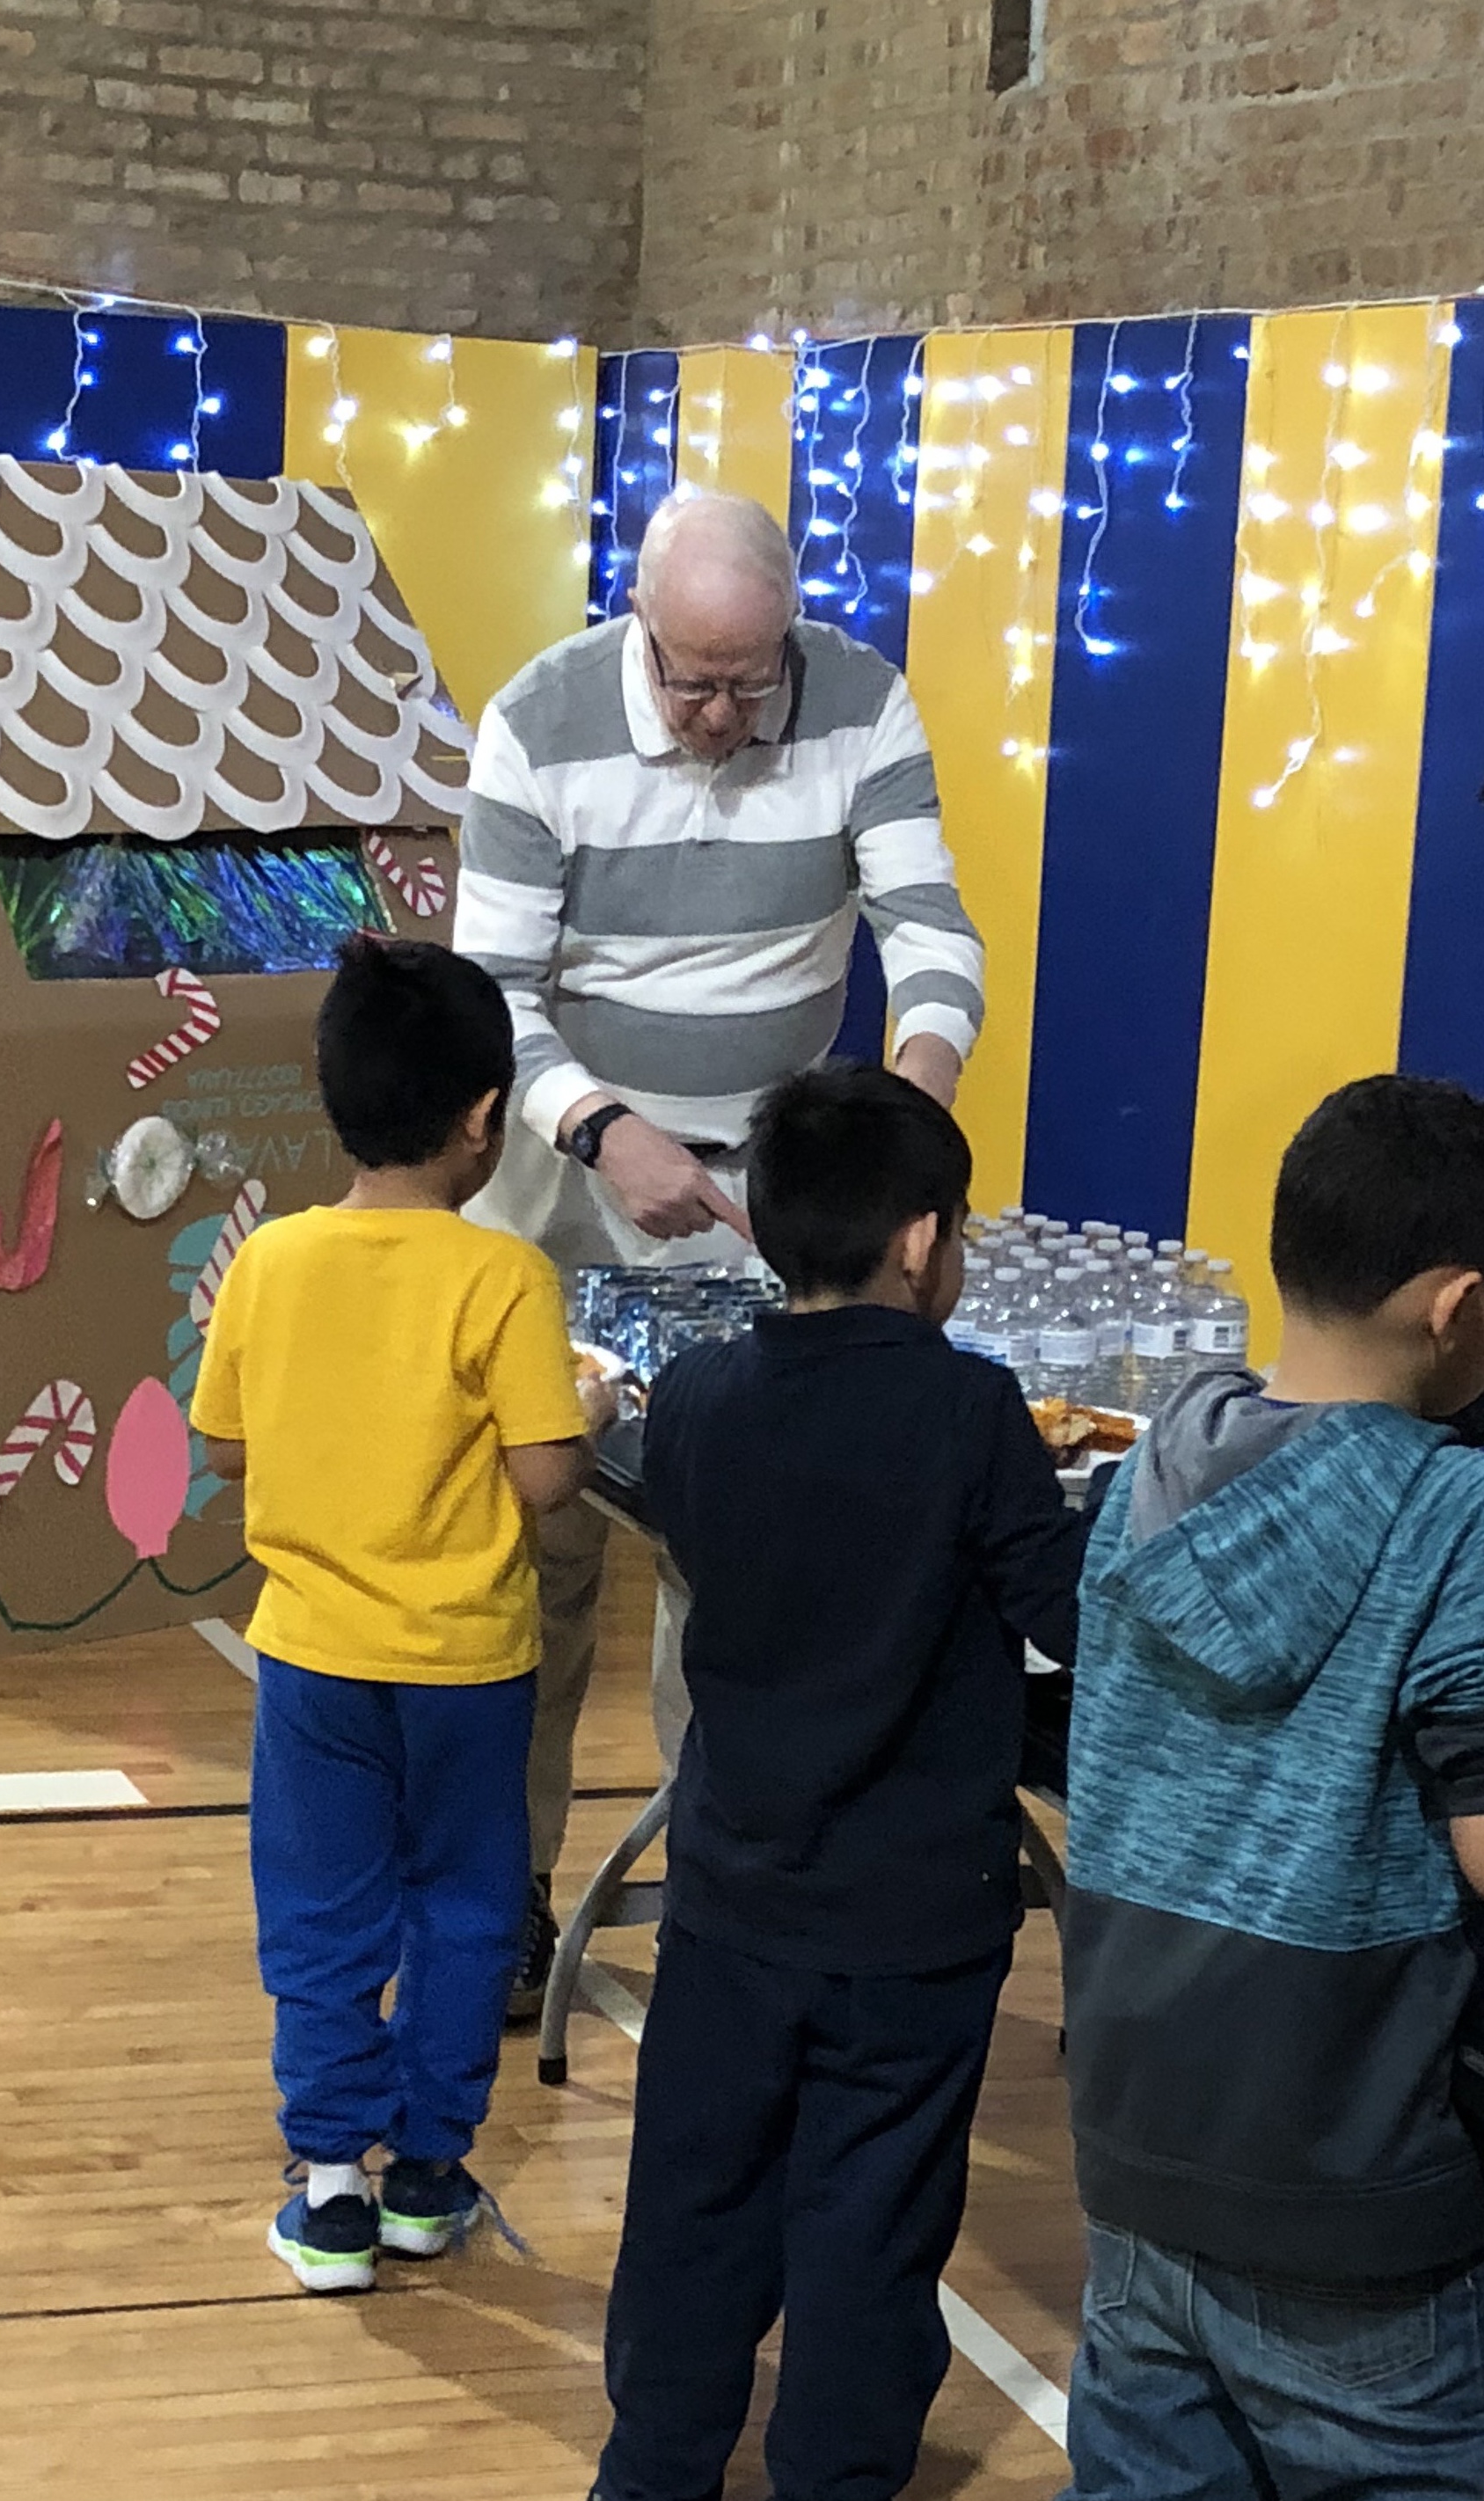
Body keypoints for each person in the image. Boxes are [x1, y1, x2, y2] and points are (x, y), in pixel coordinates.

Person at [455, 488, 986, 2015]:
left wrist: (902, 1107)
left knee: (735, 1559)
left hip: (772, 1197)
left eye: (750, 683)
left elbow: (931, 929)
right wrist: (605, 1127)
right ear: (637, 628)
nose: (718, 714)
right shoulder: (536, 723)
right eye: (690, 679)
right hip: (564, 1180)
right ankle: (505, 1901)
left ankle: (720, 1907)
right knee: (541, 1557)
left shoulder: (862, 700)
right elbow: (493, 988)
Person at [592, 1064, 1082, 2501]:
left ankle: (652, 2468)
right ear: (922, 1239)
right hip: (913, 1918)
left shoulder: (692, 1395)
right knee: (871, 2226)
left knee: (692, 2208)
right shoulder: (971, 1409)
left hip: (732, 1894)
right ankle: (832, 2475)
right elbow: (1061, 1615)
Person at [1060, 1072, 1484, 2501]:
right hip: (1355, 2186)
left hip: (1136, 2143)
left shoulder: (1143, 1478)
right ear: (1455, 1307)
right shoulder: (1462, 1513)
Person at [189, 934, 613, 2293]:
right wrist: (591, 1406)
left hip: (312, 1663)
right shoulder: (504, 1279)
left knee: (319, 1913)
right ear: (487, 1119)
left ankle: (326, 2194)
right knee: (464, 1910)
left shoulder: (269, 1263)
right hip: (471, 1669)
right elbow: (547, 1483)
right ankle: (429, 2175)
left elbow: (229, 1451)